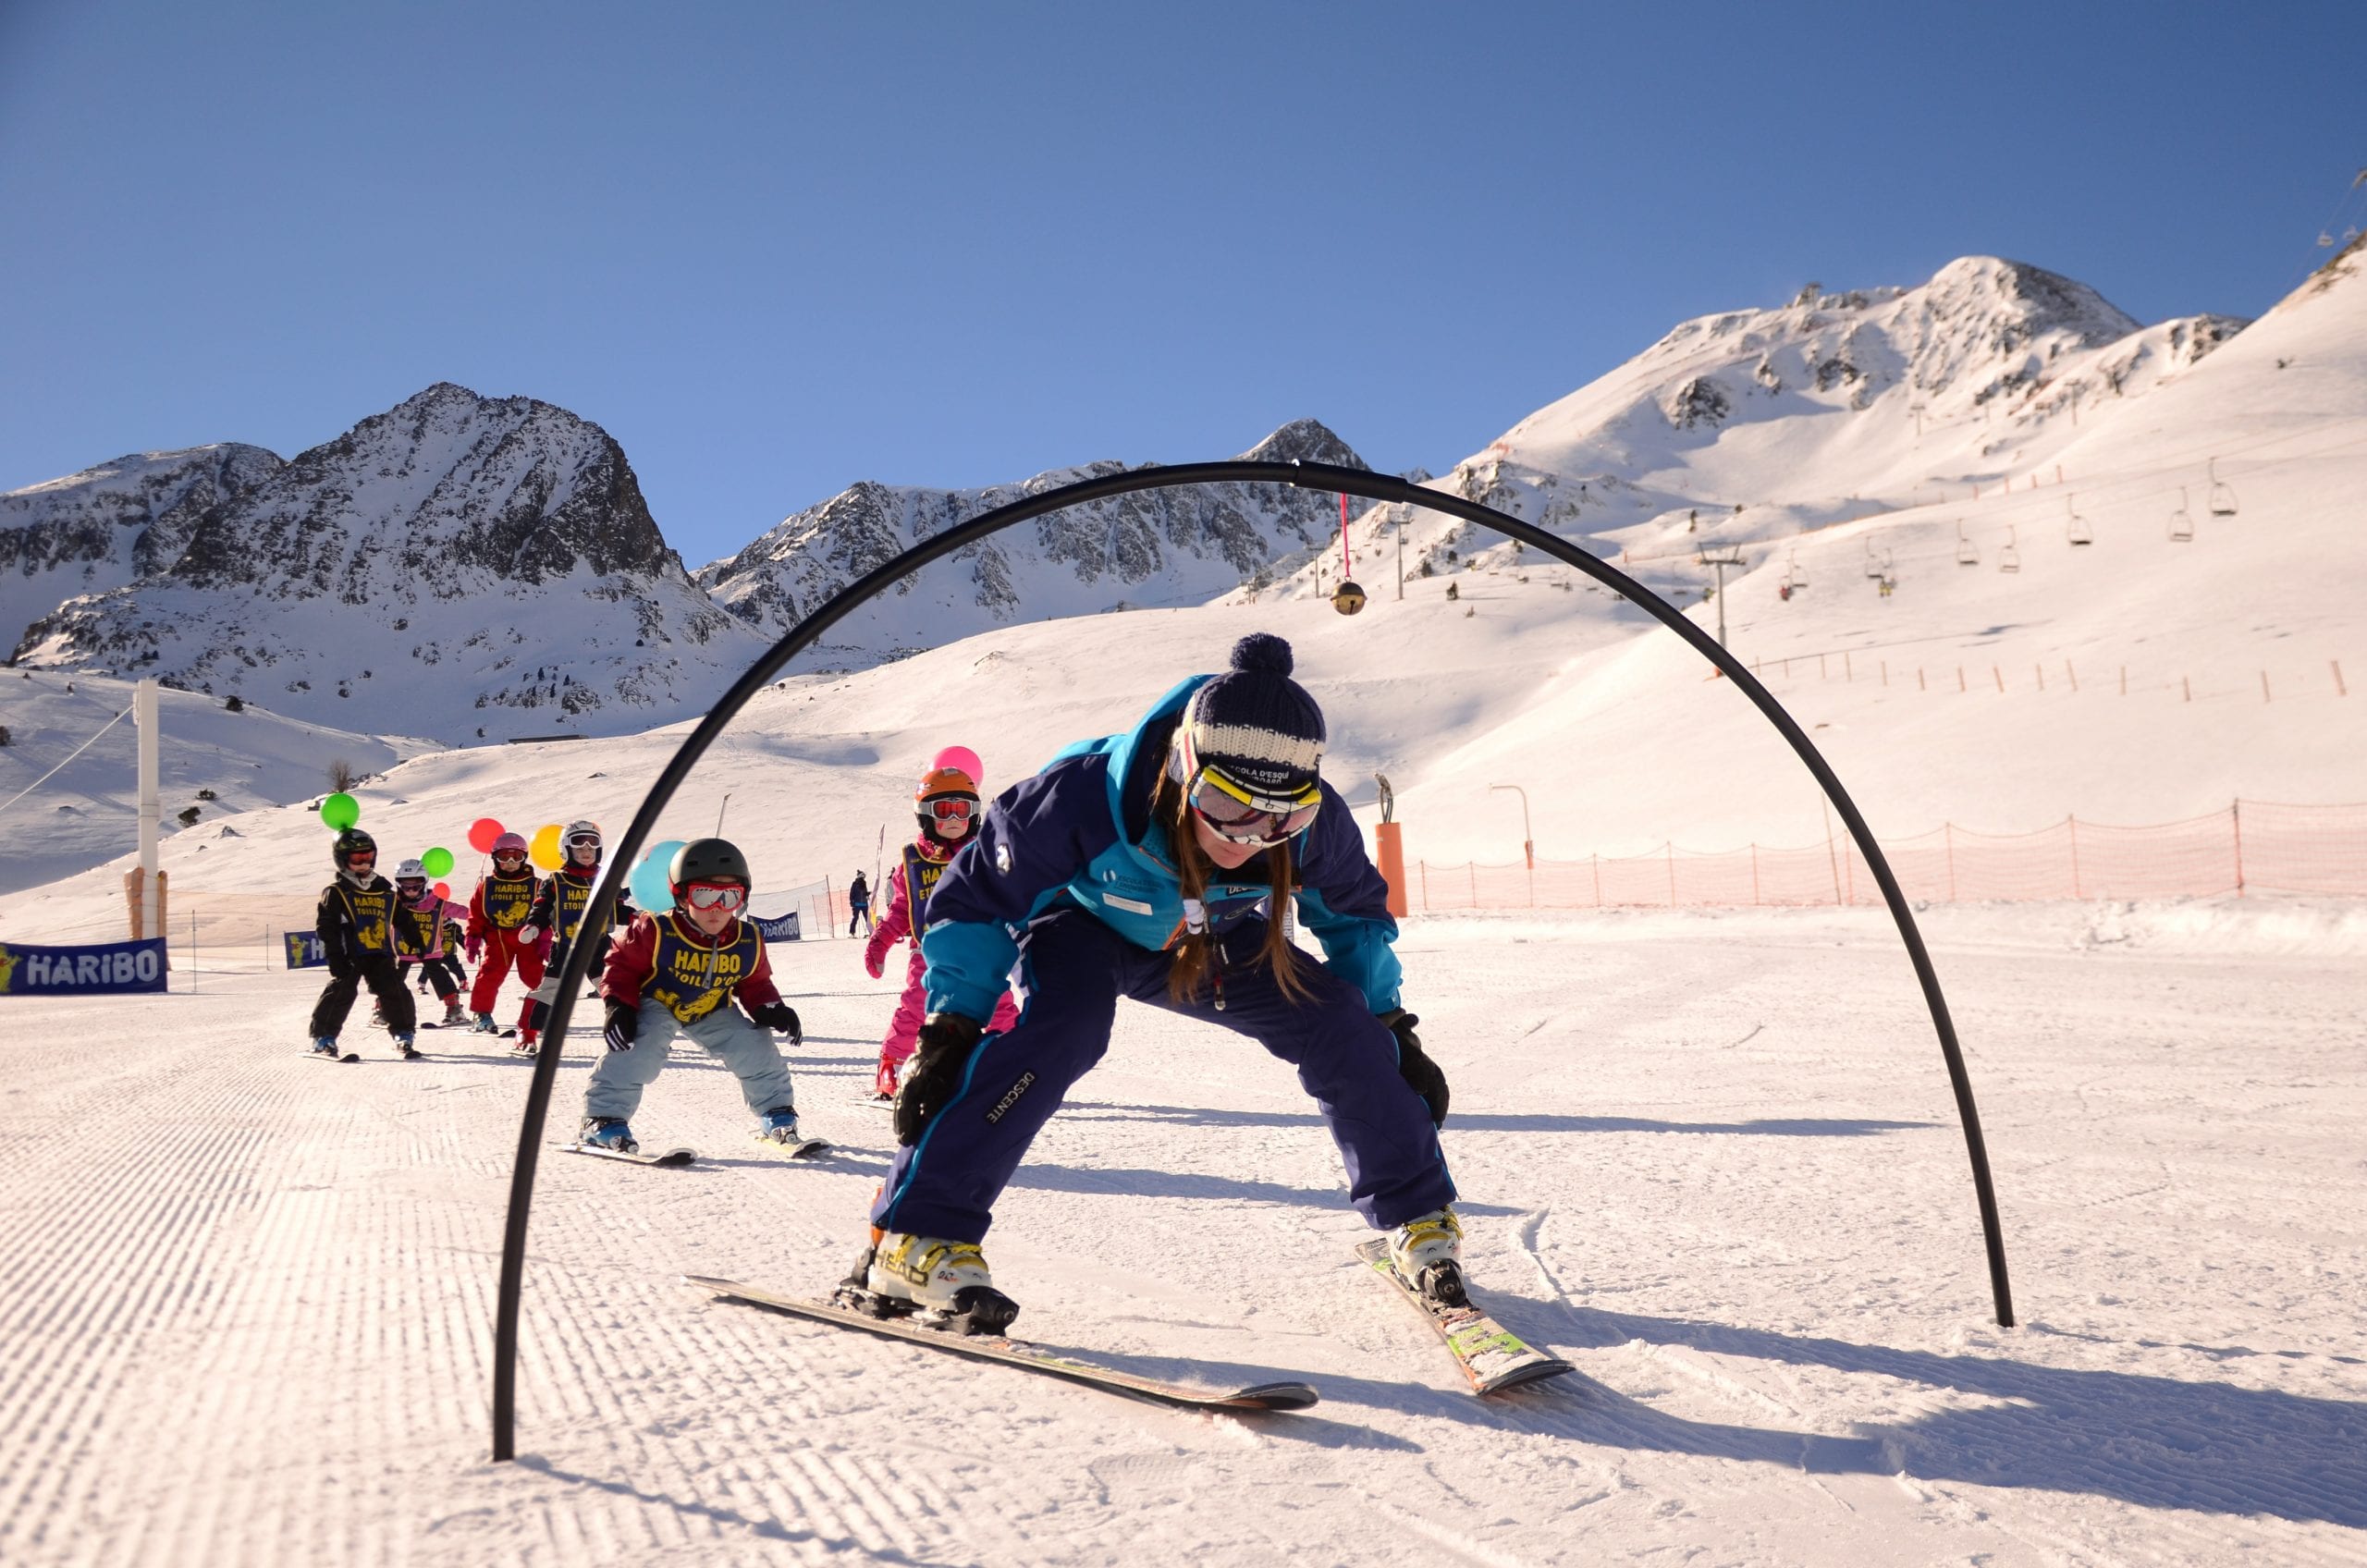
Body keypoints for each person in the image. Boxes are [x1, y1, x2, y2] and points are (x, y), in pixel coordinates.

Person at [854, 634, 1456, 1332]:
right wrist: (953, 1024)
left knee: (1339, 1026)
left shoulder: (1307, 829)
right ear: (1182, 768)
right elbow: (976, 899)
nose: (1251, 837)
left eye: (1282, 816)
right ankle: (916, 1236)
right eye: (1227, 806)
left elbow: (1354, 919)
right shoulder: (1080, 796)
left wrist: (1391, 1028)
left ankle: (1418, 1220)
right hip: (1082, 930)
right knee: (1062, 1031)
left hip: (1210, 940)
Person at [580, 838, 807, 1152]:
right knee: (640, 1047)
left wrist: (771, 1008)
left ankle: (776, 1114)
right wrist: (618, 1005)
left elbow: (755, 982)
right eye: (704, 895)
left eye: (729, 897)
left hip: (710, 1006)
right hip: (657, 1001)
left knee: (753, 1045)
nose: (716, 909)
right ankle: (602, 1119)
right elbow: (621, 965)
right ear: (682, 896)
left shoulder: (747, 939)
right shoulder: (655, 930)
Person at [861, 759, 1020, 1102]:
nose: (953, 819)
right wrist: (881, 941)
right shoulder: (914, 861)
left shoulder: (984, 854)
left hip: (980, 950)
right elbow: (903, 909)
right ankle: (893, 1064)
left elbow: (1011, 894)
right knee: (916, 1006)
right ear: (925, 815)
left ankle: (1013, 1060)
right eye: (943, 810)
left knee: (998, 1004)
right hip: (929, 953)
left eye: (962, 810)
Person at [518, 820, 634, 1054]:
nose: (586, 852)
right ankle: (526, 1034)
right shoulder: (556, 881)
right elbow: (542, 908)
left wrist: (635, 916)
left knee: (615, 988)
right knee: (550, 990)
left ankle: (631, 1033)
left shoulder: (605, 880)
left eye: (592, 848)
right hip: (566, 946)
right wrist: (533, 926)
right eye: (580, 848)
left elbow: (616, 910)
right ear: (567, 850)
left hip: (599, 945)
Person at [310, 827, 420, 1059]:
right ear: (342, 860)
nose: (363, 863)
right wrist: (335, 956)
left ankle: (404, 1033)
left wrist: (415, 939)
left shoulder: (385, 892)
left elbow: (402, 917)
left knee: (394, 990)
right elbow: (326, 926)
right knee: (342, 991)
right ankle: (323, 1037)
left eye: (368, 857)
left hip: (379, 951)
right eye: (357, 858)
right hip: (350, 953)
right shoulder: (337, 892)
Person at [465, 832, 541, 1035]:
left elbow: (547, 912)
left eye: (515, 857)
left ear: (524, 858)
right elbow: (476, 913)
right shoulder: (487, 886)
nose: (509, 863)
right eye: (504, 857)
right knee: (489, 975)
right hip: (497, 939)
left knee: (535, 976)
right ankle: (482, 1014)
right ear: (494, 858)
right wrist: (473, 937)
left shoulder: (535, 885)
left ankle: (545, 1009)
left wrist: (544, 937)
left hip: (528, 938)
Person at [390, 859, 468, 1026]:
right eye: (406, 887)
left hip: (430, 950)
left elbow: (459, 911)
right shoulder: (393, 903)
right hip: (402, 951)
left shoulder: (435, 903)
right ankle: (383, 1006)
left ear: (424, 883)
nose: (411, 891)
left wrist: (479, 916)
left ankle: (454, 1007)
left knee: (439, 975)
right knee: (392, 977)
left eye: (415, 886)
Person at [847, 870, 873, 937]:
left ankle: (871, 931)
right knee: (856, 918)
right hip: (857, 904)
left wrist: (868, 893)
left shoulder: (864, 883)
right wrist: (851, 901)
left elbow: (864, 893)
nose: (863, 878)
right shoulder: (855, 884)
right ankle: (852, 932)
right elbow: (852, 893)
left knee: (867, 918)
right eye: (863, 876)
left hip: (863, 904)